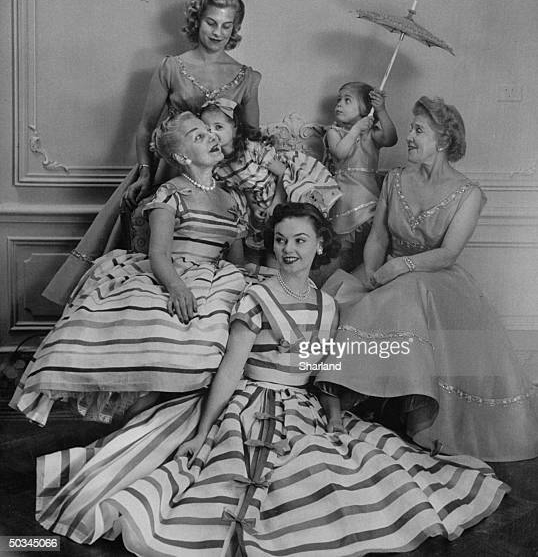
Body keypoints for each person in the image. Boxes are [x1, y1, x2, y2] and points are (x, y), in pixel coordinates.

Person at [33, 203, 508, 556]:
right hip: (247, 401)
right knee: (213, 475)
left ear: (320, 244)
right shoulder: (256, 296)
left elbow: (323, 371)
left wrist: (336, 414)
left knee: (347, 472)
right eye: (281, 240)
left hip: (303, 406)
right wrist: (202, 431)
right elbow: (231, 370)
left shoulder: (327, 303)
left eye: (300, 240)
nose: (289, 249)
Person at [318, 96, 538, 462]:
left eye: (418, 130)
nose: (408, 137)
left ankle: (415, 413)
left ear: (444, 141)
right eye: (410, 128)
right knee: (341, 299)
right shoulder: (395, 179)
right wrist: (373, 272)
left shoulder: (469, 194)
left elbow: (448, 253)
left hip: (435, 278)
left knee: (406, 292)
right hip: (386, 269)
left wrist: (399, 269)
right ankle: (341, 396)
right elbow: (378, 238)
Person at [10, 112, 249, 426]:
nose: (212, 137)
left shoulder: (231, 200)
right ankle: (132, 429)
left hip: (217, 280)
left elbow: (237, 259)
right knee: (162, 346)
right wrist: (177, 288)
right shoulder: (170, 193)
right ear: (181, 156)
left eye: (210, 132)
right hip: (171, 274)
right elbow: (159, 253)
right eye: (199, 136)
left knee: (209, 349)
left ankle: (164, 428)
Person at [42, 0, 261, 306]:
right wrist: (145, 173)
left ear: (235, 28)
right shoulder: (171, 67)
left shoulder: (247, 77)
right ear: (197, 21)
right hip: (165, 169)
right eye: (211, 23)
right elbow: (145, 126)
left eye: (227, 26)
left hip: (219, 174)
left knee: (215, 254)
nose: (218, 32)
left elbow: (251, 136)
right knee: (147, 254)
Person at [200, 98, 341, 251]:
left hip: (281, 195)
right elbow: (244, 188)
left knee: (283, 237)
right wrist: (254, 208)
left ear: (235, 128)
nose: (212, 134)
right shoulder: (219, 165)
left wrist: (276, 204)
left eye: (218, 127)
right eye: (207, 130)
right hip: (259, 206)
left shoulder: (251, 149)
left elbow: (283, 174)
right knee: (257, 240)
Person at [322, 81, 397, 275]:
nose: (339, 104)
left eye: (347, 100)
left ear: (365, 109)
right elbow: (340, 152)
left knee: (372, 240)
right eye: (339, 99)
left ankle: (367, 275)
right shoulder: (334, 132)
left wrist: (381, 111)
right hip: (346, 196)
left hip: (369, 196)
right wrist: (355, 130)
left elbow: (391, 138)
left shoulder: (371, 134)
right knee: (343, 248)